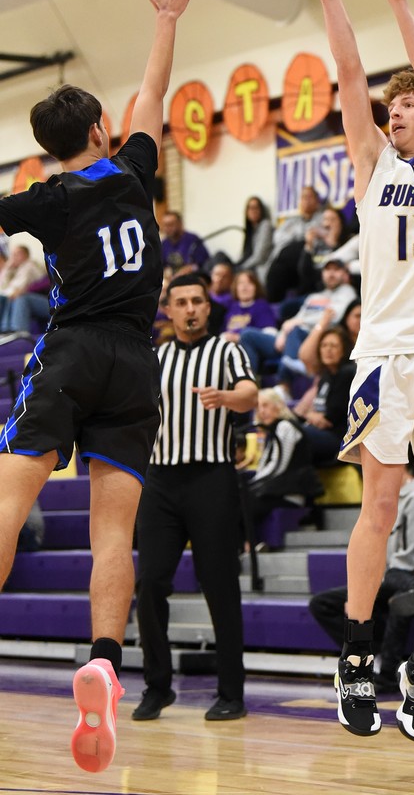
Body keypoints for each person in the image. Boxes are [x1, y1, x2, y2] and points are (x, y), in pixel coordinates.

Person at [0, 0, 202, 773]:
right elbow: (153, 90)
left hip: (74, 348)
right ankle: (106, 662)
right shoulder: (134, 170)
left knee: (10, 496)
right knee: (112, 531)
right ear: (98, 131)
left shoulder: (47, 198)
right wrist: (167, 16)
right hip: (136, 361)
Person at [289, 0, 414, 743]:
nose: (396, 111)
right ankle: (358, 654)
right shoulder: (373, 166)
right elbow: (348, 72)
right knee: (377, 503)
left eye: (409, 104)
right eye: (392, 105)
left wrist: (402, 4)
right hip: (384, 356)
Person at [133, 273, 257, 723]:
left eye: (196, 301)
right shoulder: (155, 357)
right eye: (181, 302)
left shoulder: (227, 350)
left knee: (220, 585)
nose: (189, 309)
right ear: (168, 309)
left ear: (208, 307)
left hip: (211, 479)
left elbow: (249, 394)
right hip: (160, 481)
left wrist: (225, 397)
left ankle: (231, 693)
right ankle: (157, 686)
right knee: (149, 583)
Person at [309, 460, 414, 695]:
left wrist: (370, 589)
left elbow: (411, 556)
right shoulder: (380, 501)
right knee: (322, 603)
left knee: (399, 596)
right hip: (386, 577)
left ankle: (388, 672)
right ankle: (364, 655)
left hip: (406, 574)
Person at [239, 258, 357, 383]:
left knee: (295, 330)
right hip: (292, 336)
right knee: (247, 335)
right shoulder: (314, 297)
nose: (331, 274)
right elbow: (297, 318)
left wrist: (298, 323)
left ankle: (284, 385)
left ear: (344, 274)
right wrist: (283, 332)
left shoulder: (347, 293)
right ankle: (248, 382)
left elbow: (334, 316)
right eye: (328, 270)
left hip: (314, 337)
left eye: (336, 270)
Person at [245, 387, 322, 538]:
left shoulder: (285, 426)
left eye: (265, 405)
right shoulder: (272, 431)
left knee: (244, 503)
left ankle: (248, 545)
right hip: (274, 490)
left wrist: (251, 485)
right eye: (258, 407)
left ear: (278, 405)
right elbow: (265, 466)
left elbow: (278, 466)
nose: (262, 411)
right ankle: (246, 545)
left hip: (288, 493)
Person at [297, 326, 356, 466]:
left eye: (333, 346)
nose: (328, 350)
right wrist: (312, 415)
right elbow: (313, 413)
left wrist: (311, 415)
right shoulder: (325, 376)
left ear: (344, 350)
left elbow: (330, 418)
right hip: (321, 431)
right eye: (324, 345)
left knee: (297, 435)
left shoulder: (347, 373)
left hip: (339, 438)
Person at [264, 185, 325, 302]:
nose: (306, 200)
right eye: (304, 197)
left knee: (301, 249)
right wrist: (301, 236)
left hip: (310, 258)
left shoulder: (323, 218)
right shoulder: (291, 221)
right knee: (276, 269)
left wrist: (298, 237)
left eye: (310, 197)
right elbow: (278, 238)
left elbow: (318, 239)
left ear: (317, 201)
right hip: (286, 260)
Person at [221, 269, 278, 342]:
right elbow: (223, 332)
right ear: (235, 288)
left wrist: (240, 338)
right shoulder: (231, 306)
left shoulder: (261, 306)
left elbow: (270, 333)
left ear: (256, 287)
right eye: (241, 283)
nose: (244, 287)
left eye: (249, 283)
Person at [0, 245, 44, 331]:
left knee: (12, 297)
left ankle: (14, 331)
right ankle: (5, 330)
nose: (13, 257)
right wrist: (7, 268)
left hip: (35, 297)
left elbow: (19, 286)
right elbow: (2, 285)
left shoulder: (29, 265)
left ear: (25, 255)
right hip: (20, 295)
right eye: (13, 254)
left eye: (17, 254)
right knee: (6, 297)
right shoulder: (17, 269)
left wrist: (8, 266)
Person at [236, 195, 273, 279]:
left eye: (256, 207)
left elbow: (260, 256)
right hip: (246, 266)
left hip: (256, 269)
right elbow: (243, 254)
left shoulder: (265, 225)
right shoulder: (250, 230)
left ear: (261, 210)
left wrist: (240, 267)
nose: (253, 211)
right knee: (221, 259)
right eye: (250, 208)